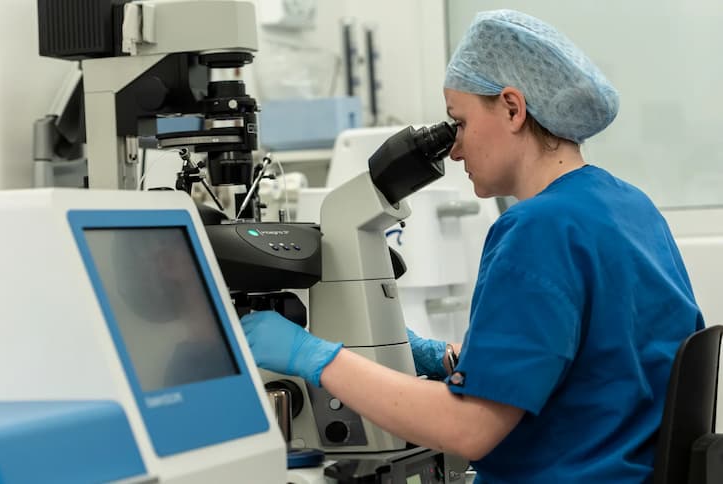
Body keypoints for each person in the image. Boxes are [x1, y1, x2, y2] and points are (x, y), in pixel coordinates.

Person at [240, 9, 704, 483]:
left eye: (457, 122)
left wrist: (312, 356)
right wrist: (446, 358)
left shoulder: (537, 228)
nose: (454, 149)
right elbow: (597, 362)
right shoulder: (629, 206)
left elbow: (468, 430)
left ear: (512, 108)